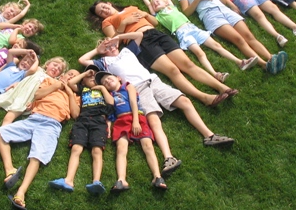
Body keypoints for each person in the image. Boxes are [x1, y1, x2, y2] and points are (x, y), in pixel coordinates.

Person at [80, 32, 236, 151]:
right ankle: (168, 156)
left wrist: (118, 36)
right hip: (137, 89)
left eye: (112, 45)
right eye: (107, 48)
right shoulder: (104, 62)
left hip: (153, 80)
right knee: (154, 120)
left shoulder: (127, 51)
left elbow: (140, 35)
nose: (111, 47)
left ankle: (209, 135)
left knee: (185, 101)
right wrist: (97, 50)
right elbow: (82, 60)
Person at [89, 1, 231, 106]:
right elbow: (115, 41)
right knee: (173, 70)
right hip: (142, 43)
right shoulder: (107, 22)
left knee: (188, 64)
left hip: (156, 34)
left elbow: (155, 22)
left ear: (108, 3)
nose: (105, 10)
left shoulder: (131, 7)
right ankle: (204, 97)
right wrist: (124, 23)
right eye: (101, 12)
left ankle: (222, 88)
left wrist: (145, 14)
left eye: (103, 6)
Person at [0, 62, 80, 210]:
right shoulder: (50, 82)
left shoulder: (75, 96)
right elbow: (38, 95)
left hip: (52, 125)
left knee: (37, 156)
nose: (72, 76)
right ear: (63, 76)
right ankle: (10, 169)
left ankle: (21, 192)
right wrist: (57, 85)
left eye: (75, 77)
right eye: (70, 73)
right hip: (34, 118)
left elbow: (75, 114)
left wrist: (68, 91)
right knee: (0, 132)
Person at [171, 0, 288, 74]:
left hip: (225, 11)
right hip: (211, 16)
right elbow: (186, 13)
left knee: (249, 36)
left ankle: (271, 58)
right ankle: (265, 65)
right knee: (238, 39)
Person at [136, 0, 259, 75]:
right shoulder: (158, 15)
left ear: (165, 2)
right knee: (200, 53)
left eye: (158, 0)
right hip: (182, 33)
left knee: (217, 45)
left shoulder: (171, 6)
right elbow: (149, 5)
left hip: (193, 28)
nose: (155, 2)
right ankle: (215, 74)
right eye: (154, 3)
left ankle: (240, 62)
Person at [0, 59, 74, 157]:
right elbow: (27, 77)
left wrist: (34, 104)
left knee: (8, 117)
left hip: (27, 98)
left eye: (59, 69)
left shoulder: (53, 82)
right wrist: (17, 83)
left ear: (60, 74)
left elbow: (45, 97)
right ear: (47, 64)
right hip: (17, 91)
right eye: (55, 65)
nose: (56, 68)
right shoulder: (38, 69)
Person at [94, 70, 168, 192]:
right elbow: (110, 108)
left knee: (148, 145)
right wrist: (102, 88)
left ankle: (157, 176)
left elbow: (133, 102)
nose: (106, 81)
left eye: (108, 78)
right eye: (104, 82)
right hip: (121, 121)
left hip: (137, 117)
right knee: (121, 149)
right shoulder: (110, 95)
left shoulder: (128, 86)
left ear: (118, 78)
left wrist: (136, 121)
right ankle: (121, 179)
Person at [48, 67, 112, 194]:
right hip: (82, 121)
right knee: (76, 148)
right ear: (83, 82)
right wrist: (85, 73)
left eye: (95, 77)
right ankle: (69, 180)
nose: (92, 78)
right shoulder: (83, 90)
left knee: (97, 151)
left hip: (99, 121)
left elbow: (111, 103)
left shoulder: (103, 91)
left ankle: (96, 181)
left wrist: (102, 88)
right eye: (89, 77)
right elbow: (71, 84)